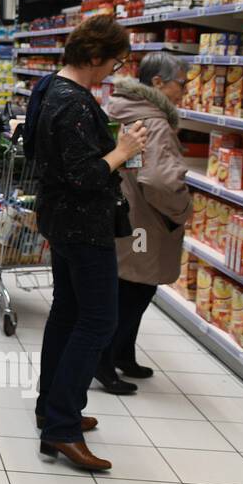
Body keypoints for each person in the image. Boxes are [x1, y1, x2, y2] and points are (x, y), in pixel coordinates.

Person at [27, 16, 146, 472]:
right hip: (84, 225)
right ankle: (60, 427)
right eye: (113, 62)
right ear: (94, 56)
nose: (112, 71)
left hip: (60, 220)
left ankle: (54, 407)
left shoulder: (47, 88)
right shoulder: (73, 103)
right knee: (99, 321)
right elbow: (84, 176)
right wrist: (123, 149)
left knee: (67, 313)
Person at [99, 52, 193, 391]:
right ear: (157, 83)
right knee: (134, 293)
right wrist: (183, 209)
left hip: (125, 213)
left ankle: (122, 355)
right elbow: (158, 181)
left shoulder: (126, 109)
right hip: (145, 219)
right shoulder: (155, 122)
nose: (184, 90)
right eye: (181, 83)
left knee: (128, 286)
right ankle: (104, 362)